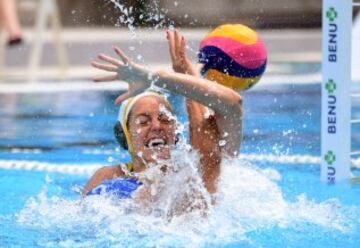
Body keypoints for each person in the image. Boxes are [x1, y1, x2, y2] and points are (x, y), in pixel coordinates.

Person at [83, 30, 243, 204]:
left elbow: (232, 104)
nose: (157, 126)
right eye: (143, 122)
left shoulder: (197, 172)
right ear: (125, 135)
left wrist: (157, 78)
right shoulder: (108, 177)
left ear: (175, 132)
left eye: (165, 119)